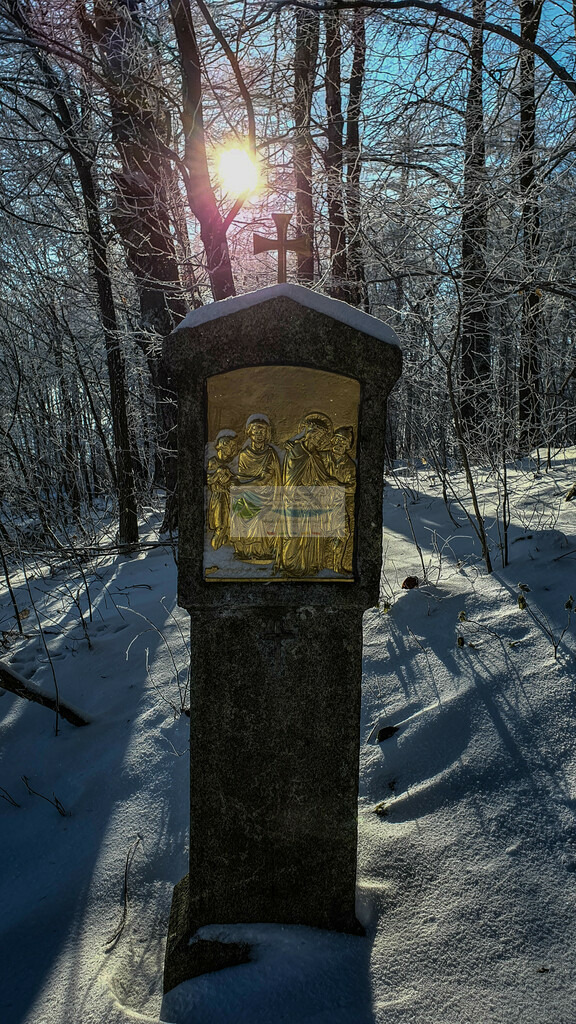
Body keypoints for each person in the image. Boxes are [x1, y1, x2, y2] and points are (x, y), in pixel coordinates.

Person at [276, 411, 335, 577]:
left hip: (312, 504)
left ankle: (309, 566)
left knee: (312, 535)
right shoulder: (294, 451)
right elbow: (290, 483)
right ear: (310, 434)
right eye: (318, 436)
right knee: (293, 536)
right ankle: (290, 566)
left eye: (322, 437)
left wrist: (331, 484)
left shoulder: (316, 456)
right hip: (294, 502)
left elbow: (323, 478)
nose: (320, 440)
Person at [231, 414, 282, 561]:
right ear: (249, 433)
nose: (259, 434)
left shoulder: (270, 454)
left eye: (262, 431)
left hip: (266, 495)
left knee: (259, 516)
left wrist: (242, 486)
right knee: (238, 512)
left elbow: (263, 480)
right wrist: (236, 484)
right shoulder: (244, 455)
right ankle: (244, 550)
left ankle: (261, 551)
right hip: (247, 494)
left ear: (267, 434)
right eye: (255, 431)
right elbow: (242, 477)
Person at [324, 426, 356, 573]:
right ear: (332, 441)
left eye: (343, 443)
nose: (339, 445)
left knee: (343, 533)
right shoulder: (321, 458)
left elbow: (352, 487)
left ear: (347, 446)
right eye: (337, 441)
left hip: (338, 504)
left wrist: (338, 486)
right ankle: (321, 565)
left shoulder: (349, 465)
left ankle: (336, 565)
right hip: (318, 502)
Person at [206, 429, 237, 549]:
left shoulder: (232, 463)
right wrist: (218, 474)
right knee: (220, 526)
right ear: (223, 447)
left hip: (229, 497)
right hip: (218, 498)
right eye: (231, 446)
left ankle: (223, 550)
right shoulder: (213, 462)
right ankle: (215, 550)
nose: (233, 449)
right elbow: (208, 479)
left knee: (228, 527)